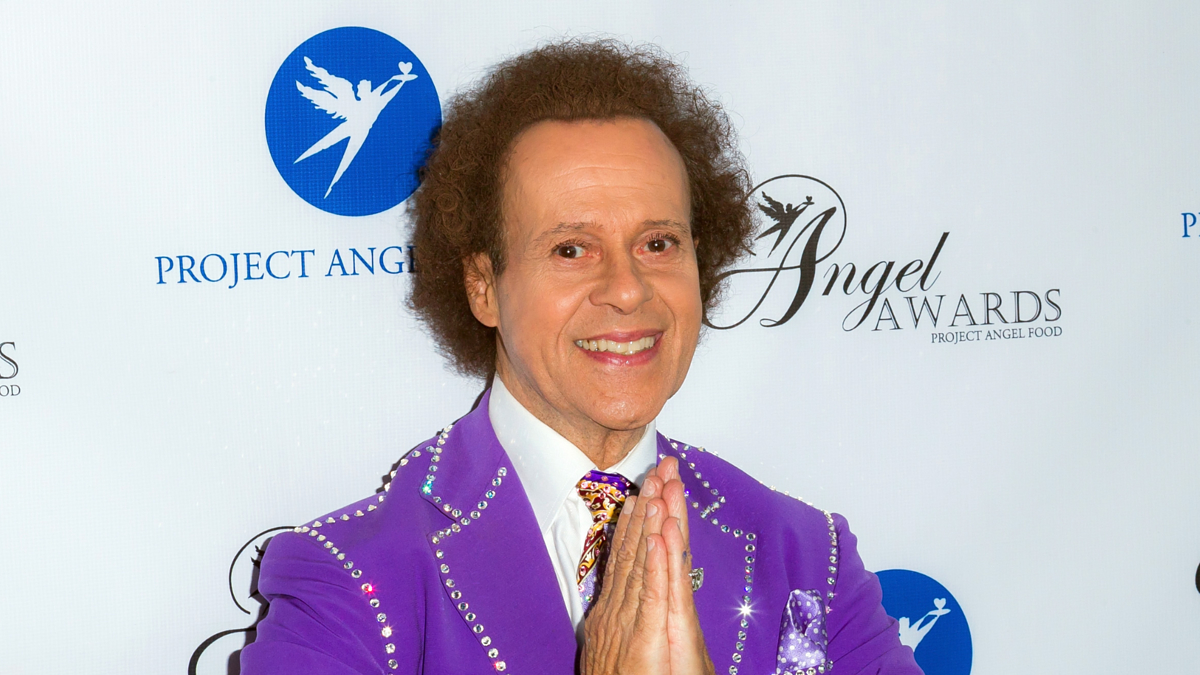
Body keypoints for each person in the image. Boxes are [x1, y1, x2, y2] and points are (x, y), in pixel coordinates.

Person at [241, 39, 921, 675]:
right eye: (571, 249)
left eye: (658, 243)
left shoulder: (806, 554)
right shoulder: (347, 578)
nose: (627, 288)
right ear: (483, 285)